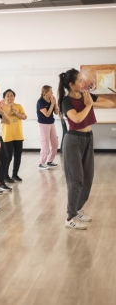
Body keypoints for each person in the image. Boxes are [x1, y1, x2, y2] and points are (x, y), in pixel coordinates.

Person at [58, 68, 114, 230]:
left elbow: (110, 103)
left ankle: (77, 209)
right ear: (71, 84)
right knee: (76, 180)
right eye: (80, 81)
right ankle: (70, 218)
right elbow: (76, 118)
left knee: (88, 178)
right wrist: (88, 105)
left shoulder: (86, 97)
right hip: (73, 140)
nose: (83, 83)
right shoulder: (66, 101)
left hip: (88, 139)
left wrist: (90, 103)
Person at [1, 89, 27, 182]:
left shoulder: (18, 106)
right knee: (8, 157)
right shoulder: (2, 107)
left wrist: (15, 112)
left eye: (11, 95)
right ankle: (5, 176)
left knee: (18, 156)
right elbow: (2, 120)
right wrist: (8, 113)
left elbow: (24, 117)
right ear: (4, 98)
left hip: (18, 135)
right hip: (7, 136)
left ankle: (15, 174)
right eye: (7, 96)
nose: (10, 97)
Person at [37, 85, 59, 170]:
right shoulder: (40, 102)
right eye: (50, 92)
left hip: (51, 123)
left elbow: (56, 113)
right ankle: (41, 163)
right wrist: (52, 104)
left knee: (55, 143)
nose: (52, 93)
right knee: (45, 143)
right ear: (45, 93)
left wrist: (55, 103)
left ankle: (50, 161)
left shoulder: (51, 101)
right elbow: (47, 114)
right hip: (43, 124)